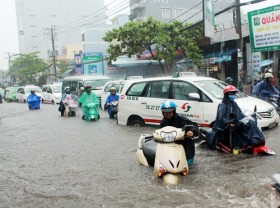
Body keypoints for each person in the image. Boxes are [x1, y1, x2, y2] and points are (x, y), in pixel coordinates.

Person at [206, 85, 265, 151]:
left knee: (251, 122)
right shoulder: (222, 105)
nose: (233, 95)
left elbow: (240, 114)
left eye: (234, 93)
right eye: (231, 93)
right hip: (224, 128)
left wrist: (249, 117)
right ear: (226, 95)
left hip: (235, 122)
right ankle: (251, 141)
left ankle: (257, 140)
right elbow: (221, 119)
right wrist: (229, 122)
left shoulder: (234, 104)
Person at [160, 101, 199, 165]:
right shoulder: (163, 122)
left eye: (170, 112)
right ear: (162, 113)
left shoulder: (182, 119)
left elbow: (195, 126)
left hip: (186, 146)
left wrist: (192, 131)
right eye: (166, 113)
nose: (168, 115)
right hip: (171, 146)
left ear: (174, 111)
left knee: (187, 165)